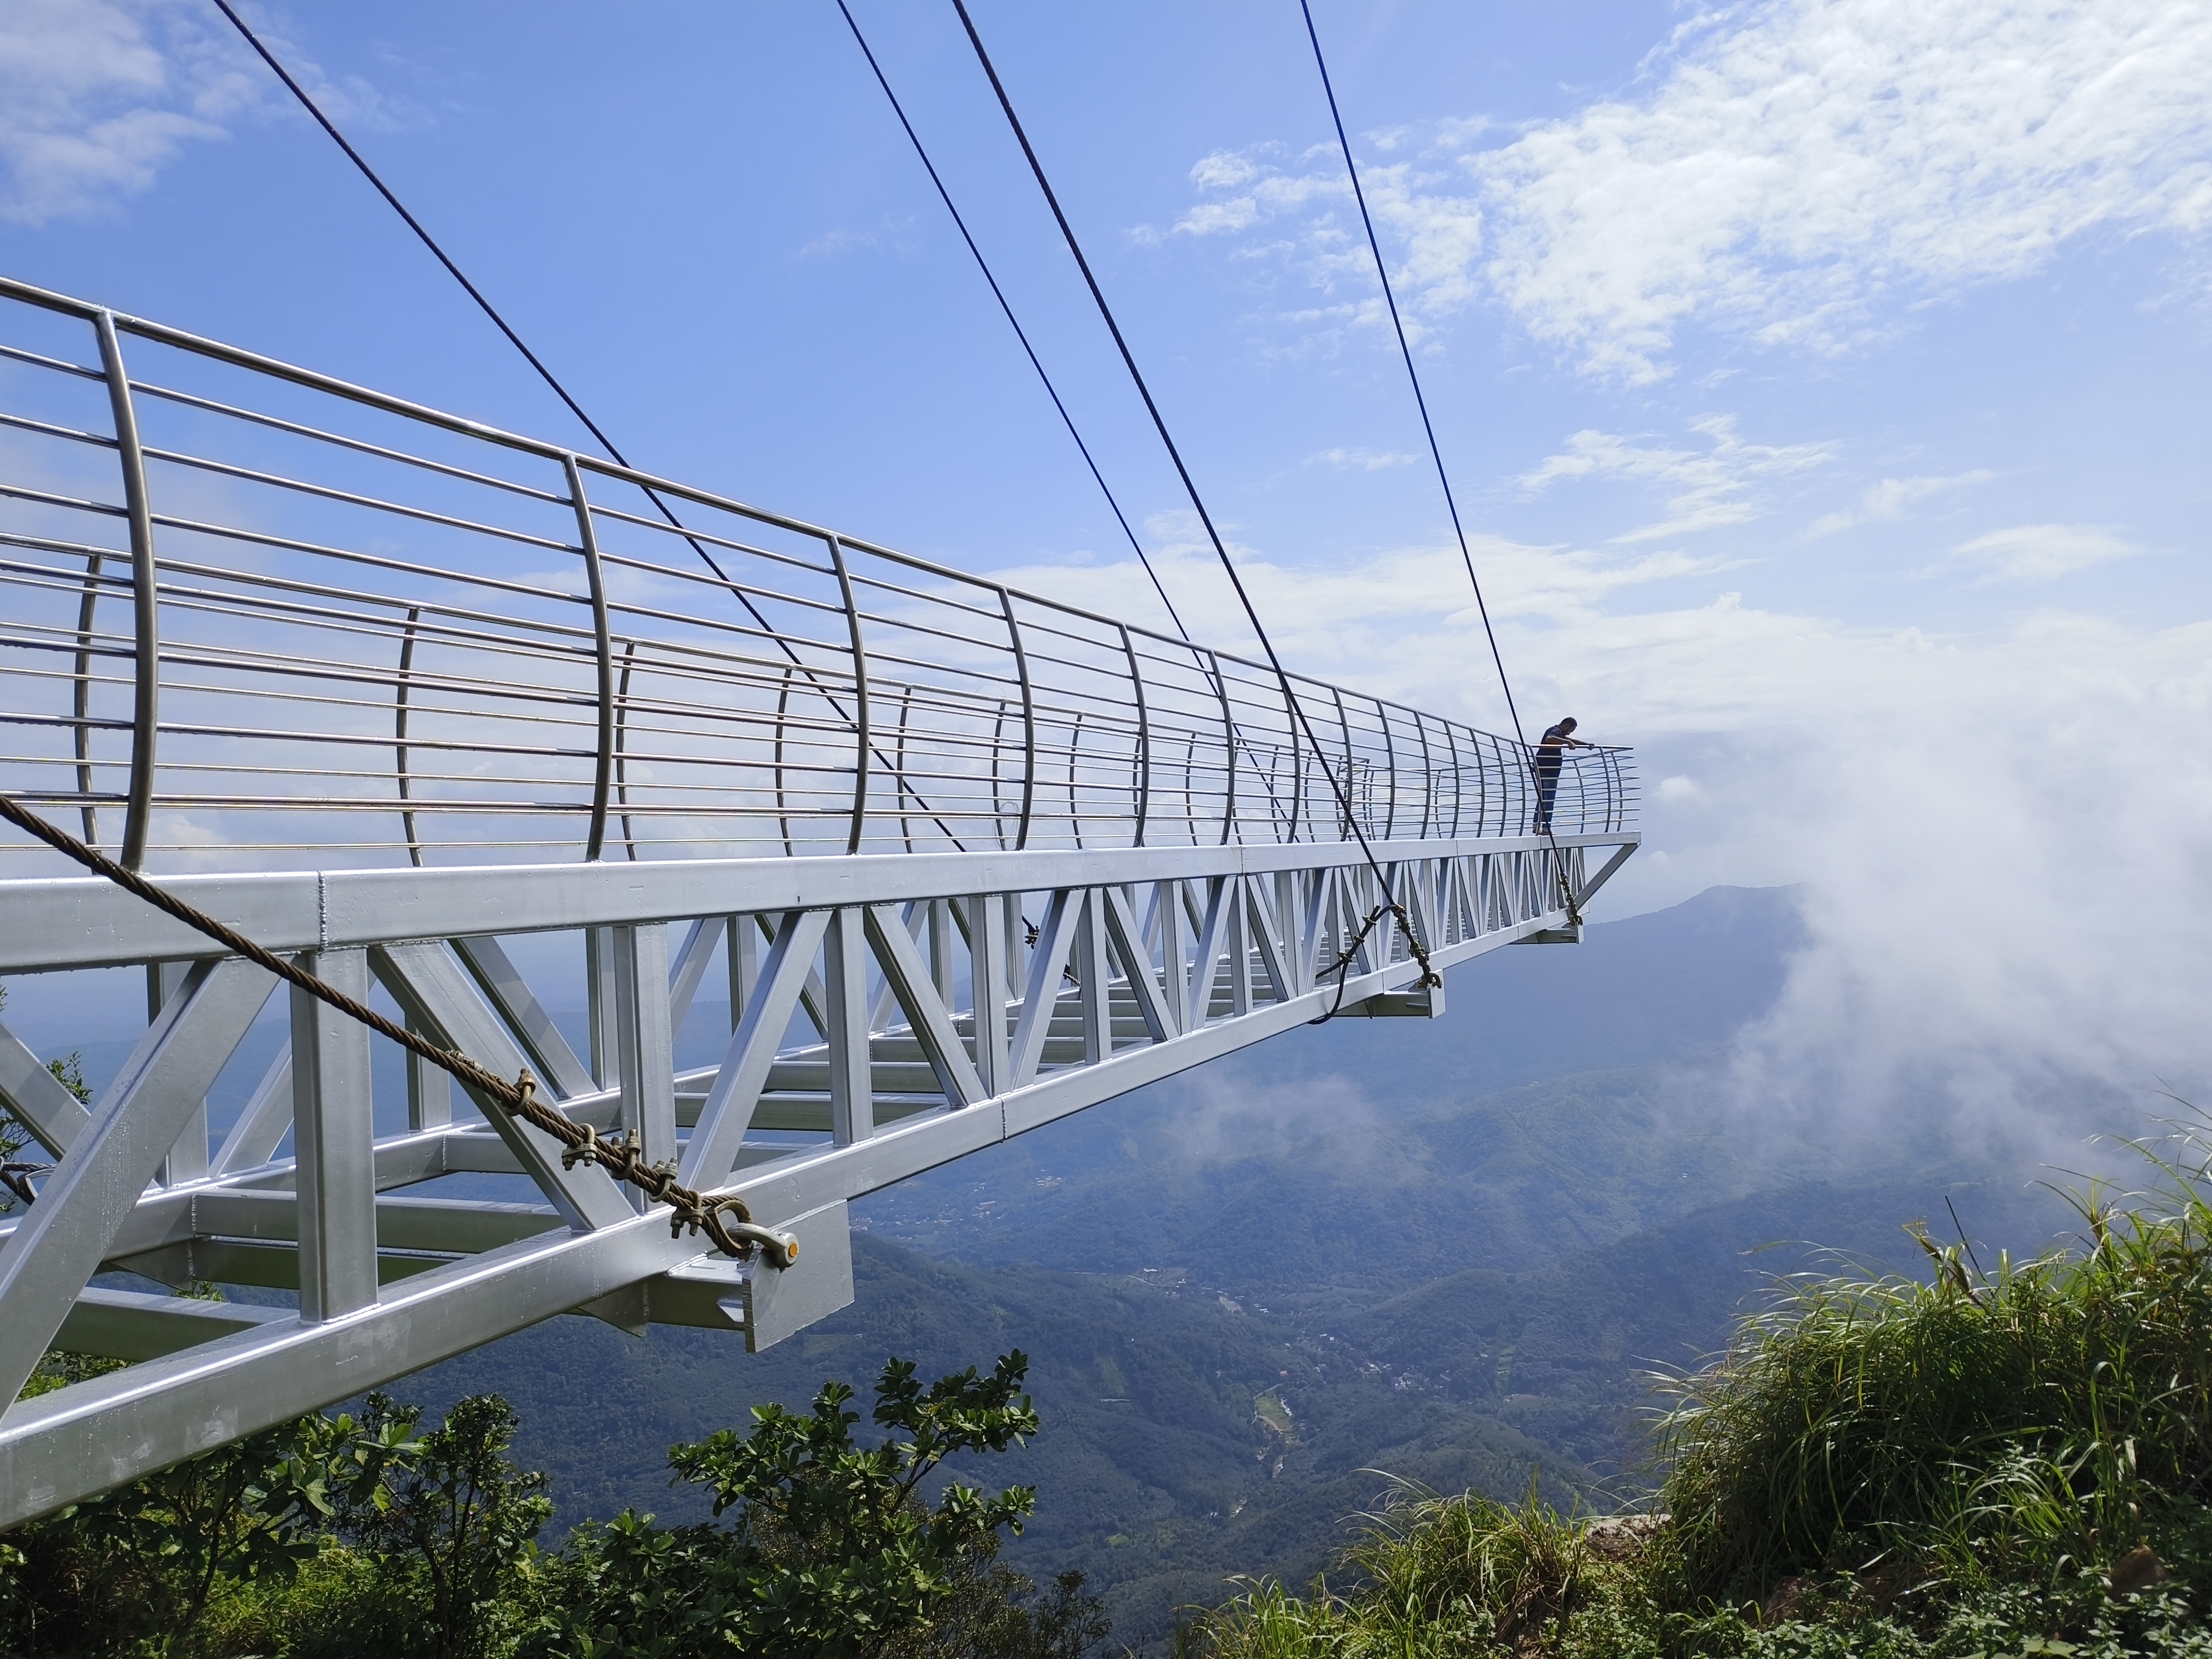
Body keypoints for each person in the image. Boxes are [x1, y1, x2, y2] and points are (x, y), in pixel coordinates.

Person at [1532, 716, 1591, 833]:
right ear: (1567, 726)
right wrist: (1567, 742)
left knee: (1544, 797)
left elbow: (1568, 739)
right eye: (1571, 730)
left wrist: (1586, 744)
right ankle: (1545, 827)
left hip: (1547, 769)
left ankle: (1538, 825)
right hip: (1548, 770)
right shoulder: (1556, 731)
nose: (1569, 733)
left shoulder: (1559, 733)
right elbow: (1550, 738)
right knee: (1548, 798)